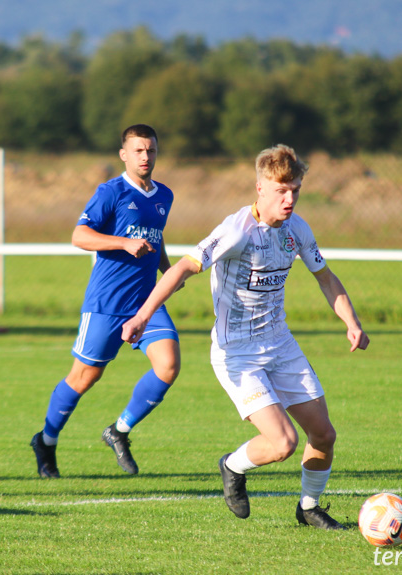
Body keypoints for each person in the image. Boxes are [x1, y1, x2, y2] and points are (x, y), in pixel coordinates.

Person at [121, 144, 369, 530]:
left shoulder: (297, 230)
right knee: (282, 444)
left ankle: (309, 508)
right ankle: (232, 466)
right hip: (237, 353)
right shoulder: (236, 230)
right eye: (281, 190)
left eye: (296, 190)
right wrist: (142, 315)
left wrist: (351, 322)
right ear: (260, 188)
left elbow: (325, 277)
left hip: (280, 344)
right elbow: (184, 268)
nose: (289, 199)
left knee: (323, 434)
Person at [30, 124, 180, 478]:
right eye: (139, 151)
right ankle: (46, 441)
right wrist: (123, 243)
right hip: (107, 303)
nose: (146, 157)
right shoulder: (110, 192)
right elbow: (79, 236)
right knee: (84, 378)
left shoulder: (165, 196)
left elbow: (153, 236)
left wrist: (167, 269)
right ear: (124, 155)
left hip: (145, 303)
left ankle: (120, 430)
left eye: (151, 150)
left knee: (168, 366)